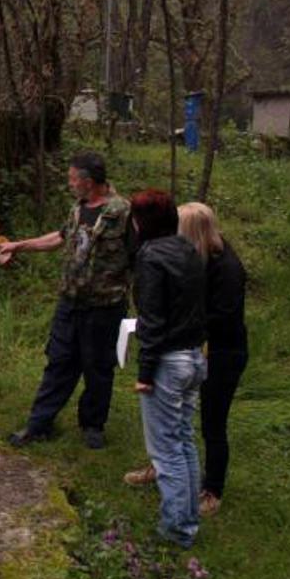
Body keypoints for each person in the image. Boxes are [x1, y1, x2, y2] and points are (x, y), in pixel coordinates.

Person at [0, 152, 135, 449]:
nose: (69, 184)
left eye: (73, 179)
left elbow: (138, 257)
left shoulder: (122, 212)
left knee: (98, 367)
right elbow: (59, 238)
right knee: (58, 363)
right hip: (70, 304)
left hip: (105, 308)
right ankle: (39, 425)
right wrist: (17, 246)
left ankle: (93, 426)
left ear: (88, 182)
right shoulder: (77, 209)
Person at [125, 203, 246, 517]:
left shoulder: (226, 266)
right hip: (192, 348)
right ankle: (162, 467)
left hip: (223, 353)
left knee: (212, 423)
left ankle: (212, 490)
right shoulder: (193, 258)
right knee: (172, 419)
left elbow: (225, 317)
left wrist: (182, 325)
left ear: (191, 230)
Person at [128, 189, 207, 548]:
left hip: (168, 362)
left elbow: (153, 320)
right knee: (184, 442)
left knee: (166, 449)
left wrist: (145, 374)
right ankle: (188, 519)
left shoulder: (150, 257)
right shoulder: (187, 249)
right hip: (193, 356)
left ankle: (177, 529)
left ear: (140, 223)